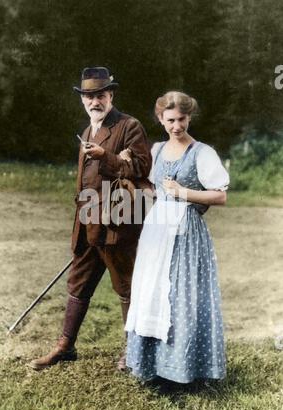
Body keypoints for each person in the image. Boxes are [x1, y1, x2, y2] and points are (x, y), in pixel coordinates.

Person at [29, 67, 152, 371]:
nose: (94, 101)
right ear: (82, 99)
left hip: (117, 221)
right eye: (88, 96)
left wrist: (107, 158)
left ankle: (133, 351)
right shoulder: (87, 131)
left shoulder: (129, 126)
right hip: (87, 222)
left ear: (111, 95)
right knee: (78, 283)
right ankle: (65, 346)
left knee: (126, 286)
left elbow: (142, 168)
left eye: (100, 95)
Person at [125, 91, 229, 384]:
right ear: (160, 119)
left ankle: (183, 369)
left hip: (186, 233)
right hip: (157, 230)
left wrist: (183, 193)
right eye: (170, 120)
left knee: (180, 295)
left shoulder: (202, 152)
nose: (176, 126)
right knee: (152, 292)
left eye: (181, 119)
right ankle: (152, 366)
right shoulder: (156, 149)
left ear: (189, 117)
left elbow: (220, 196)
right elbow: (154, 189)